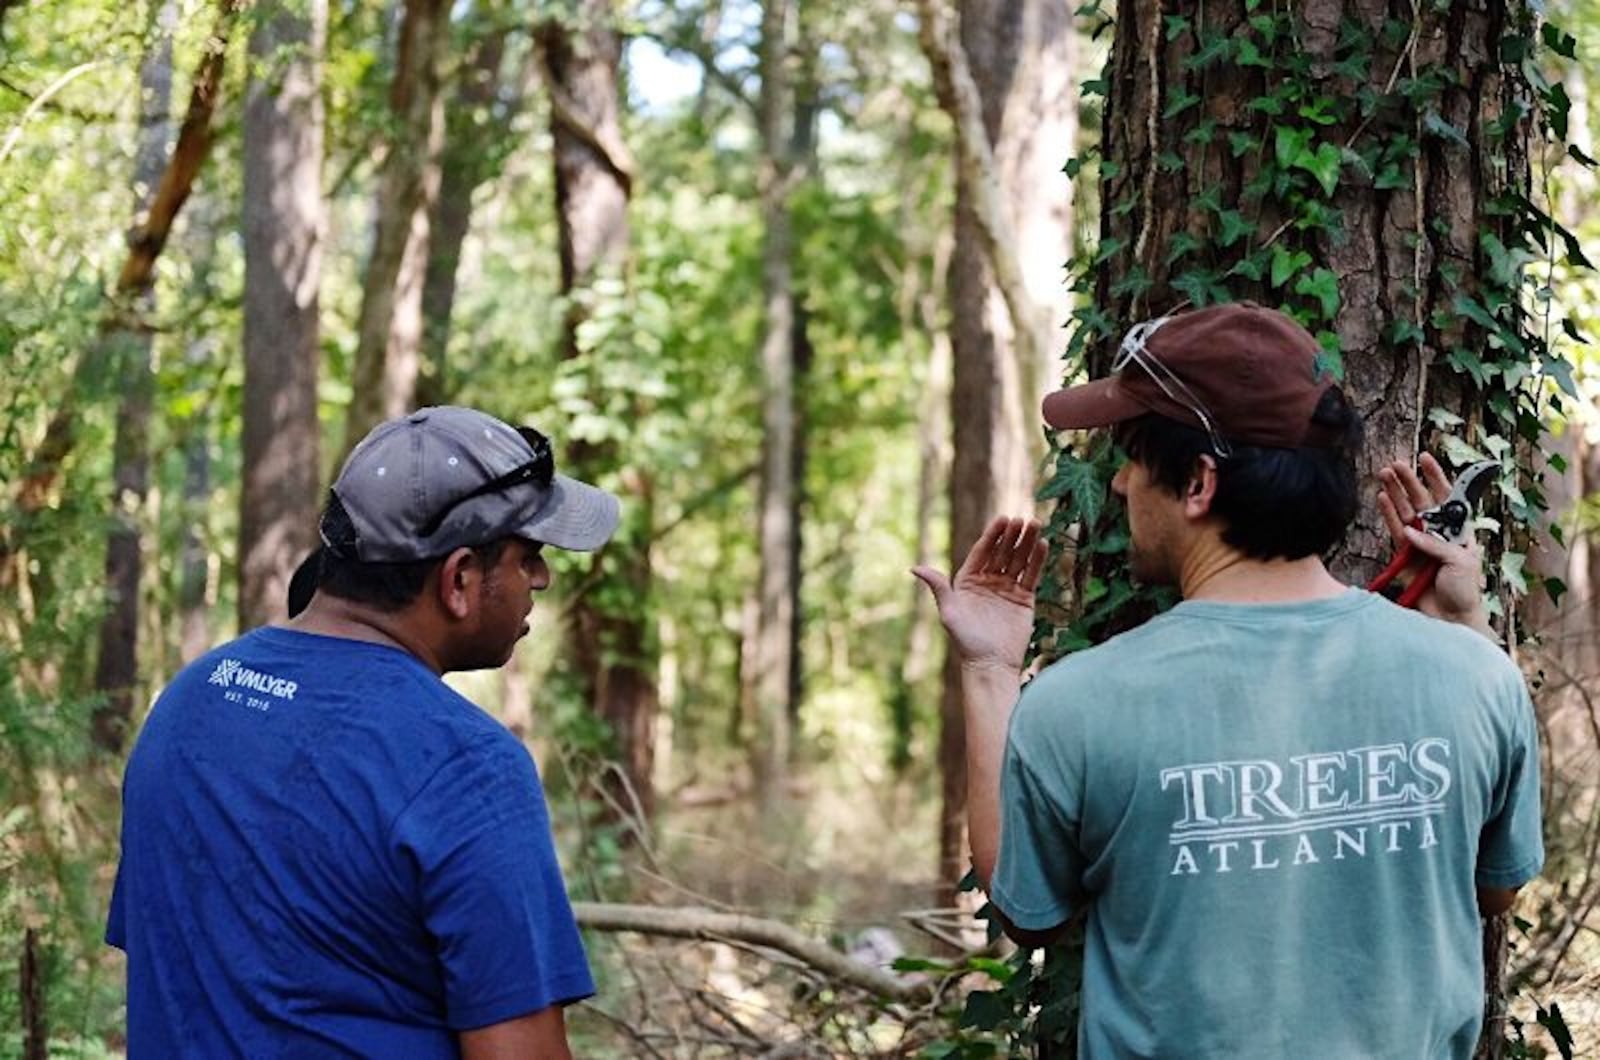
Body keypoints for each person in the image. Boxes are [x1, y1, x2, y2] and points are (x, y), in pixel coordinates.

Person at [914, 303, 1543, 1058]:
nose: (1118, 487)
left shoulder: (1079, 704)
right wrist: (1461, 628)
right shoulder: (1477, 674)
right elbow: (1495, 890)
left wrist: (989, 673)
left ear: (1198, 483)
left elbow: (1030, 911)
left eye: (1133, 458)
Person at [108, 406, 620, 1058]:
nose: (541, 579)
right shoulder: (468, 765)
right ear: (459, 579)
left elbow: (167, 968)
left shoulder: (188, 702)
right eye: (529, 556)